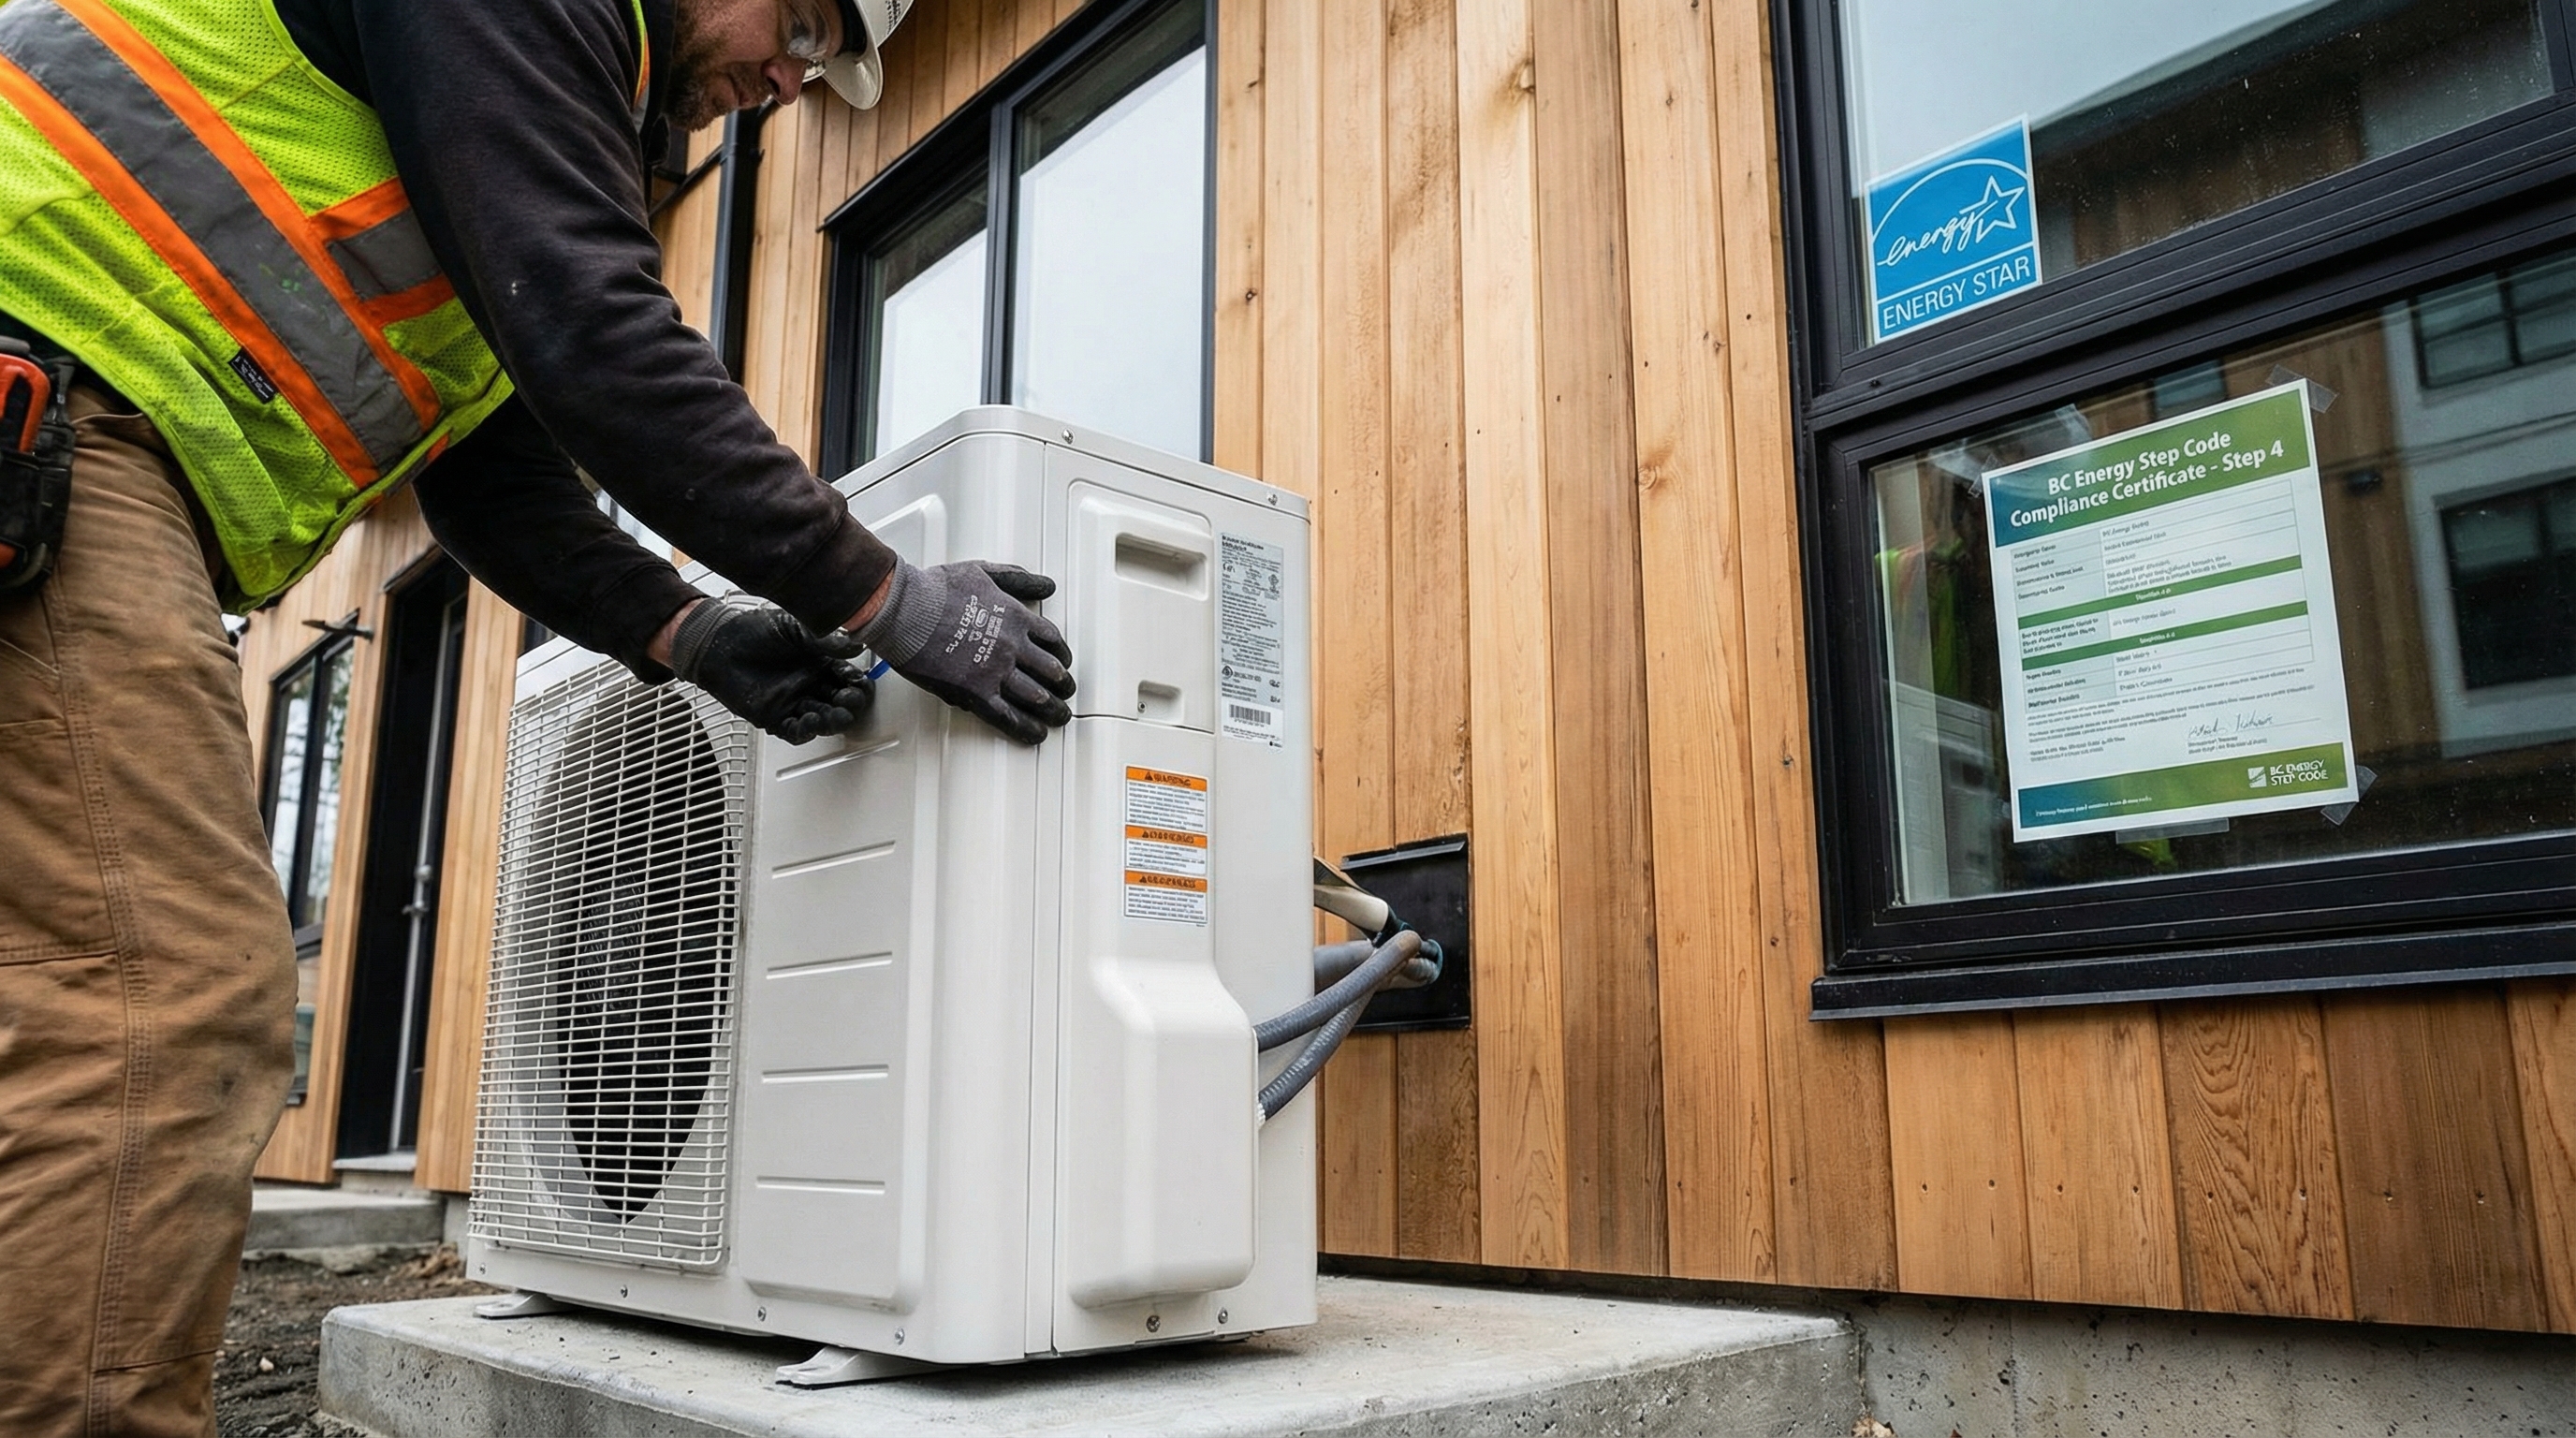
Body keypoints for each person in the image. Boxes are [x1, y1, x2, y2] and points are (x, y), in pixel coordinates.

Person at [0, 0, 1075, 1431]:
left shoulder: (519, 124)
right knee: (167, 997)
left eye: (822, 65)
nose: (789, 80)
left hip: (81, 433)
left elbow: (490, 480)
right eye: (804, 20)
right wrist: (886, 599)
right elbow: (594, 337)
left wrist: (692, 633)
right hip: (57, 397)